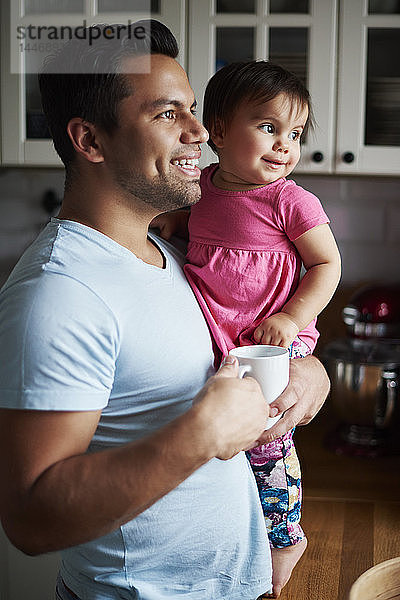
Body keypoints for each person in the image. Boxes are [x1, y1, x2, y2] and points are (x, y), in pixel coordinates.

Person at [0, 22, 329, 600]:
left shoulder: (173, 249)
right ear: (90, 140)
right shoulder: (58, 294)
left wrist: (307, 372)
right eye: (167, 114)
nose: (201, 132)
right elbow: (30, 518)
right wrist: (200, 434)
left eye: (194, 110)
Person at [152, 60, 341, 598]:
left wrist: (292, 319)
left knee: (267, 441)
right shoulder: (202, 186)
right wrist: (175, 222)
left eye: (295, 134)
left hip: (269, 334)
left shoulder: (292, 200)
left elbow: (328, 266)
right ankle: (247, 536)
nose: (285, 145)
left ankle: (285, 538)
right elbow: (204, 223)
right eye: (268, 127)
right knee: (228, 446)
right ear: (216, 130)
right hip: (222, 332)